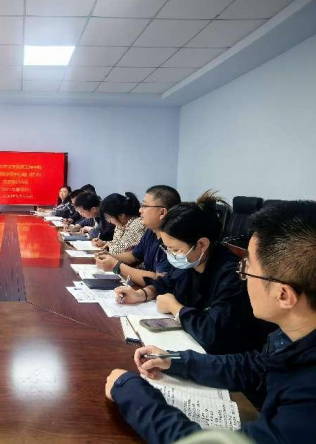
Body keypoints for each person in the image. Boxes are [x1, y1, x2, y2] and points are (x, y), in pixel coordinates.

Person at [105, 200, 316, 443]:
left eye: (247, 268)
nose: (243, 276)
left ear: (284, 295)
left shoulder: (308, 398)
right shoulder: (289, 339)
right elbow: (253, 366)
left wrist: (133, 395)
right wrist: (173, 360)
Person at [115, 191, 272, 354]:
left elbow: (213, 334)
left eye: (176, 249)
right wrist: (141, 294)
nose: (172, 255)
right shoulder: (191, 261)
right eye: (167, 248)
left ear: (202, 244)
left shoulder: (231, 274)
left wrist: (176, 308)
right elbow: (166, 283)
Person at [96, 185, 181, 287]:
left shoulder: (173, 241)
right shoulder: (151, 232)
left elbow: (159, 280)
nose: (140, 210)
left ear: (162, 212)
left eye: (144, 206)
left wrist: (116, 265)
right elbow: (134, 256)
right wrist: (110, 256)